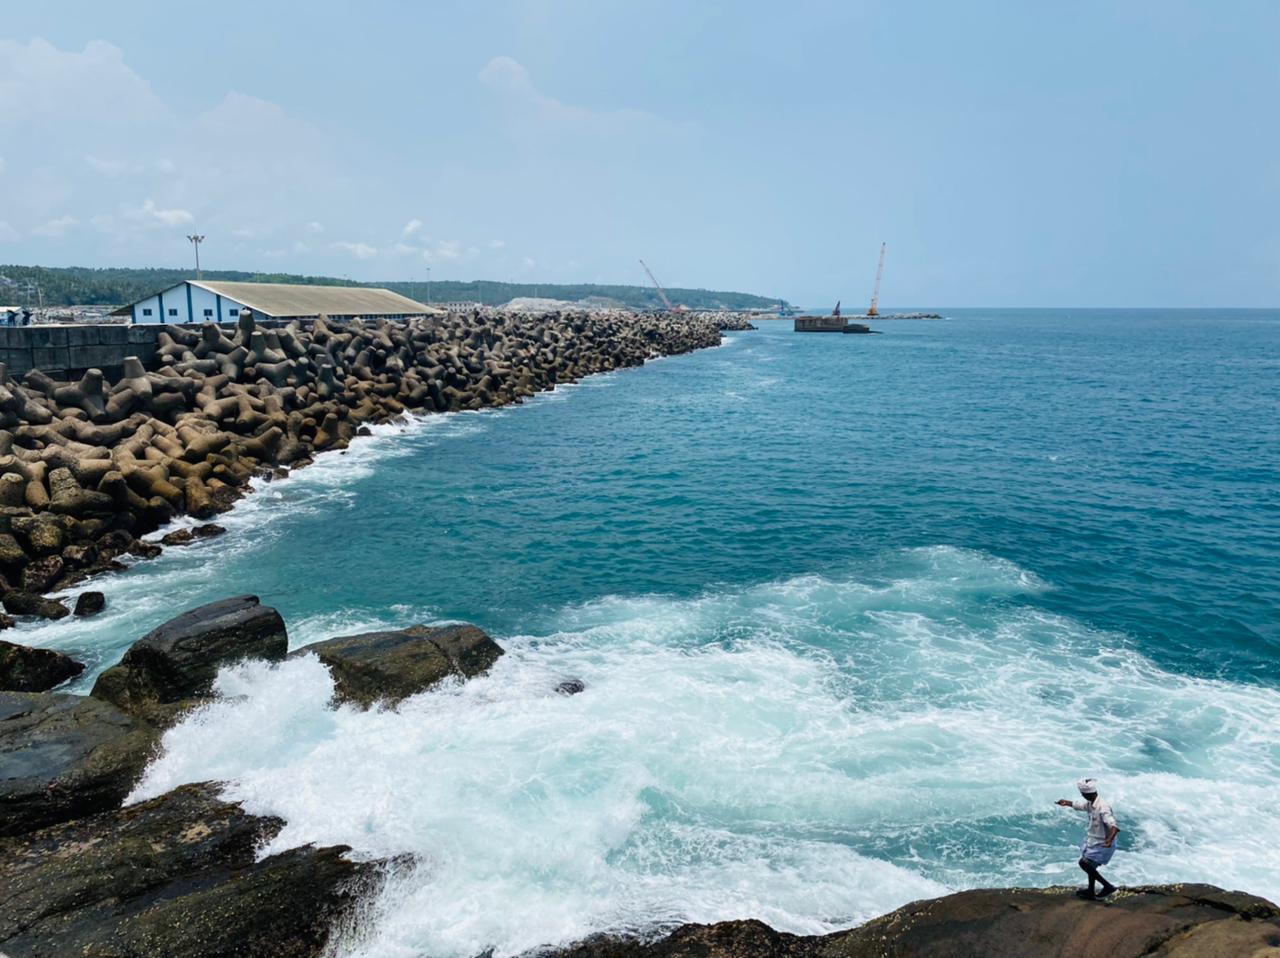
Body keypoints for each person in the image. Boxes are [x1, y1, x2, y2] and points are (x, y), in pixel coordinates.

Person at [1056, 777, 1120, 899]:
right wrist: (1067, 803)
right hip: (1094, 841)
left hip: (1103, 844)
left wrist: (1109, 839)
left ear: (1086, 794)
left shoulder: (1103, 807)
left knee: (1084, 863)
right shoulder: (1092, 803)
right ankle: (1091, 891)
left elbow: (1113, 826)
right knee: (1091, 866)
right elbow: (1081, 806)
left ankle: (1108, 887)